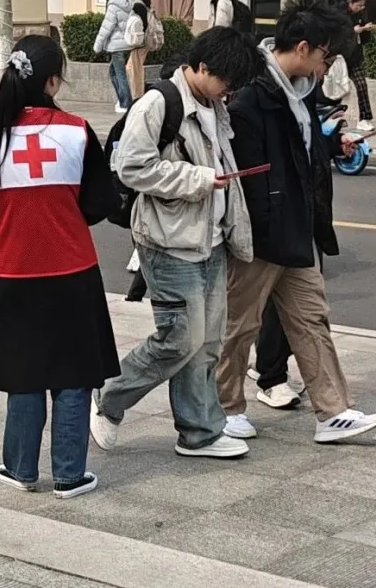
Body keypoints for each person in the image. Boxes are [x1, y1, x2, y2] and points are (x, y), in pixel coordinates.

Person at [0, 35, 121, 499]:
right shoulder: (76, 130)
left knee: (23, 371)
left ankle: (20, 469)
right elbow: (101, 202)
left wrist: (15, 219)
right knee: (74, 371)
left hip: (13, 272)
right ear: (52, 81)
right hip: (73, 269)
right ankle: (70, 474)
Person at [90, 26, 260, 460]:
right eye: (225, 81)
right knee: (179, 340)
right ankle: (109, 396)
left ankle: (199, 432)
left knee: (207, 344)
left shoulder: (215, 105)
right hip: (167, 242)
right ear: (201, 66)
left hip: (211, 240)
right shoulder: (158, 103)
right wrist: (197, 179)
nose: (228, 91)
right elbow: (132, 168)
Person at [219, 2, 376, 443]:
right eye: (326, 56)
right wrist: (261, 227)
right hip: (261, 236)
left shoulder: (301, 90)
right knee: (239, 325)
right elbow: (249, 175)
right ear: (304, 47)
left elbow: (301, 150)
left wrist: (331, 148)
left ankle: (333, 413)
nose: (326, 67)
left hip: (298, 228)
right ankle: (224, 408)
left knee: (312, 320)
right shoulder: (252, 95)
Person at [93, 0, 135, 113]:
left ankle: (125, 103)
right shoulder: (128, 3)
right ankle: (123, 99)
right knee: (114, 72)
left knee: (120, 74)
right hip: (127, 44)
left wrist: (97, 46)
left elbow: (106, 28)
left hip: (117, 47)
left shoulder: (113, 6)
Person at [338, 0, 375, 131]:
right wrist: (352, 31)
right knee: (336, 89)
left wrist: (366, 30)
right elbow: (336, 33)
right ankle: (332, 115)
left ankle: (365, 118)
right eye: (358, 5)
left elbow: (365, 39)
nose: (361, 8)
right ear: (350, 3)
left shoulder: (360, 15)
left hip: (355, 57)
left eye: (362, 6)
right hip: (339, 58)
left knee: (361, 86)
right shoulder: (339, 14)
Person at [125, 0, 152, 99]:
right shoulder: (143, 3)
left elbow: (142, 25)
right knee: (132, 68)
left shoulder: (137, 5)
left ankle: (138, 95)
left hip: (139, 43)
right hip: (142, 42)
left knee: (135, 70)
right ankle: (137, 93)